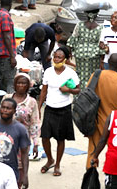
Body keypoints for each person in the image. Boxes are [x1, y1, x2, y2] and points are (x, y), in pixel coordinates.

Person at [83, 53, 117, 169]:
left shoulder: (96, 75)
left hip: (96, 120)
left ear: (108, 63)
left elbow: (87, 94)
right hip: (114, 124)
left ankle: (90, 177)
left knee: (93, 151)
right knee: (115, 151)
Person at [38, 47, 80, 177]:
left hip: (64, 108)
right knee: (45, 136)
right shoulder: (49, 71)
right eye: (55, 57)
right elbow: (44, 90)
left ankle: (57, 165)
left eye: (59, 57)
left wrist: (68, 90)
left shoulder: (70, 73)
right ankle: (50, 159)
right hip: (50, 107)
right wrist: (39, 107)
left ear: (65, 59)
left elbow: (78, 90)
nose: (56, 60)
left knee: (60, 138)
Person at [0, 99, 30, 187]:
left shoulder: (20, 129)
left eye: (8, 108)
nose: (5, 110)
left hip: (11, 170)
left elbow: (24, 154)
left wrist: (25, 175)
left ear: (14, 111)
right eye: (3, 107)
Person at [0, 73, 40, 160]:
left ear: (28, 86)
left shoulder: (32, 102)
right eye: (18, 83)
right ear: (14, 85)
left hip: (22, 140)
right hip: (5, 138)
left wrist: (35, 143)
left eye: (24, 83)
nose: (21, 85)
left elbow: (34, 124)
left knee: (20, 165)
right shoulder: (7, 98)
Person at [67, 9, 104, 84]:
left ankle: (80, 92)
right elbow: (101, 44)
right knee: (92, 75)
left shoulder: (79, 25)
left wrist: (69, 53)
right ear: (97, 15)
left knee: (80, 74)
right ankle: (90, 92)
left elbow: (72, 39)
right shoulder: (100, 28)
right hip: (94, 55)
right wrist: (102, 60)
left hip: (80, 53)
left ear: (86, 14)